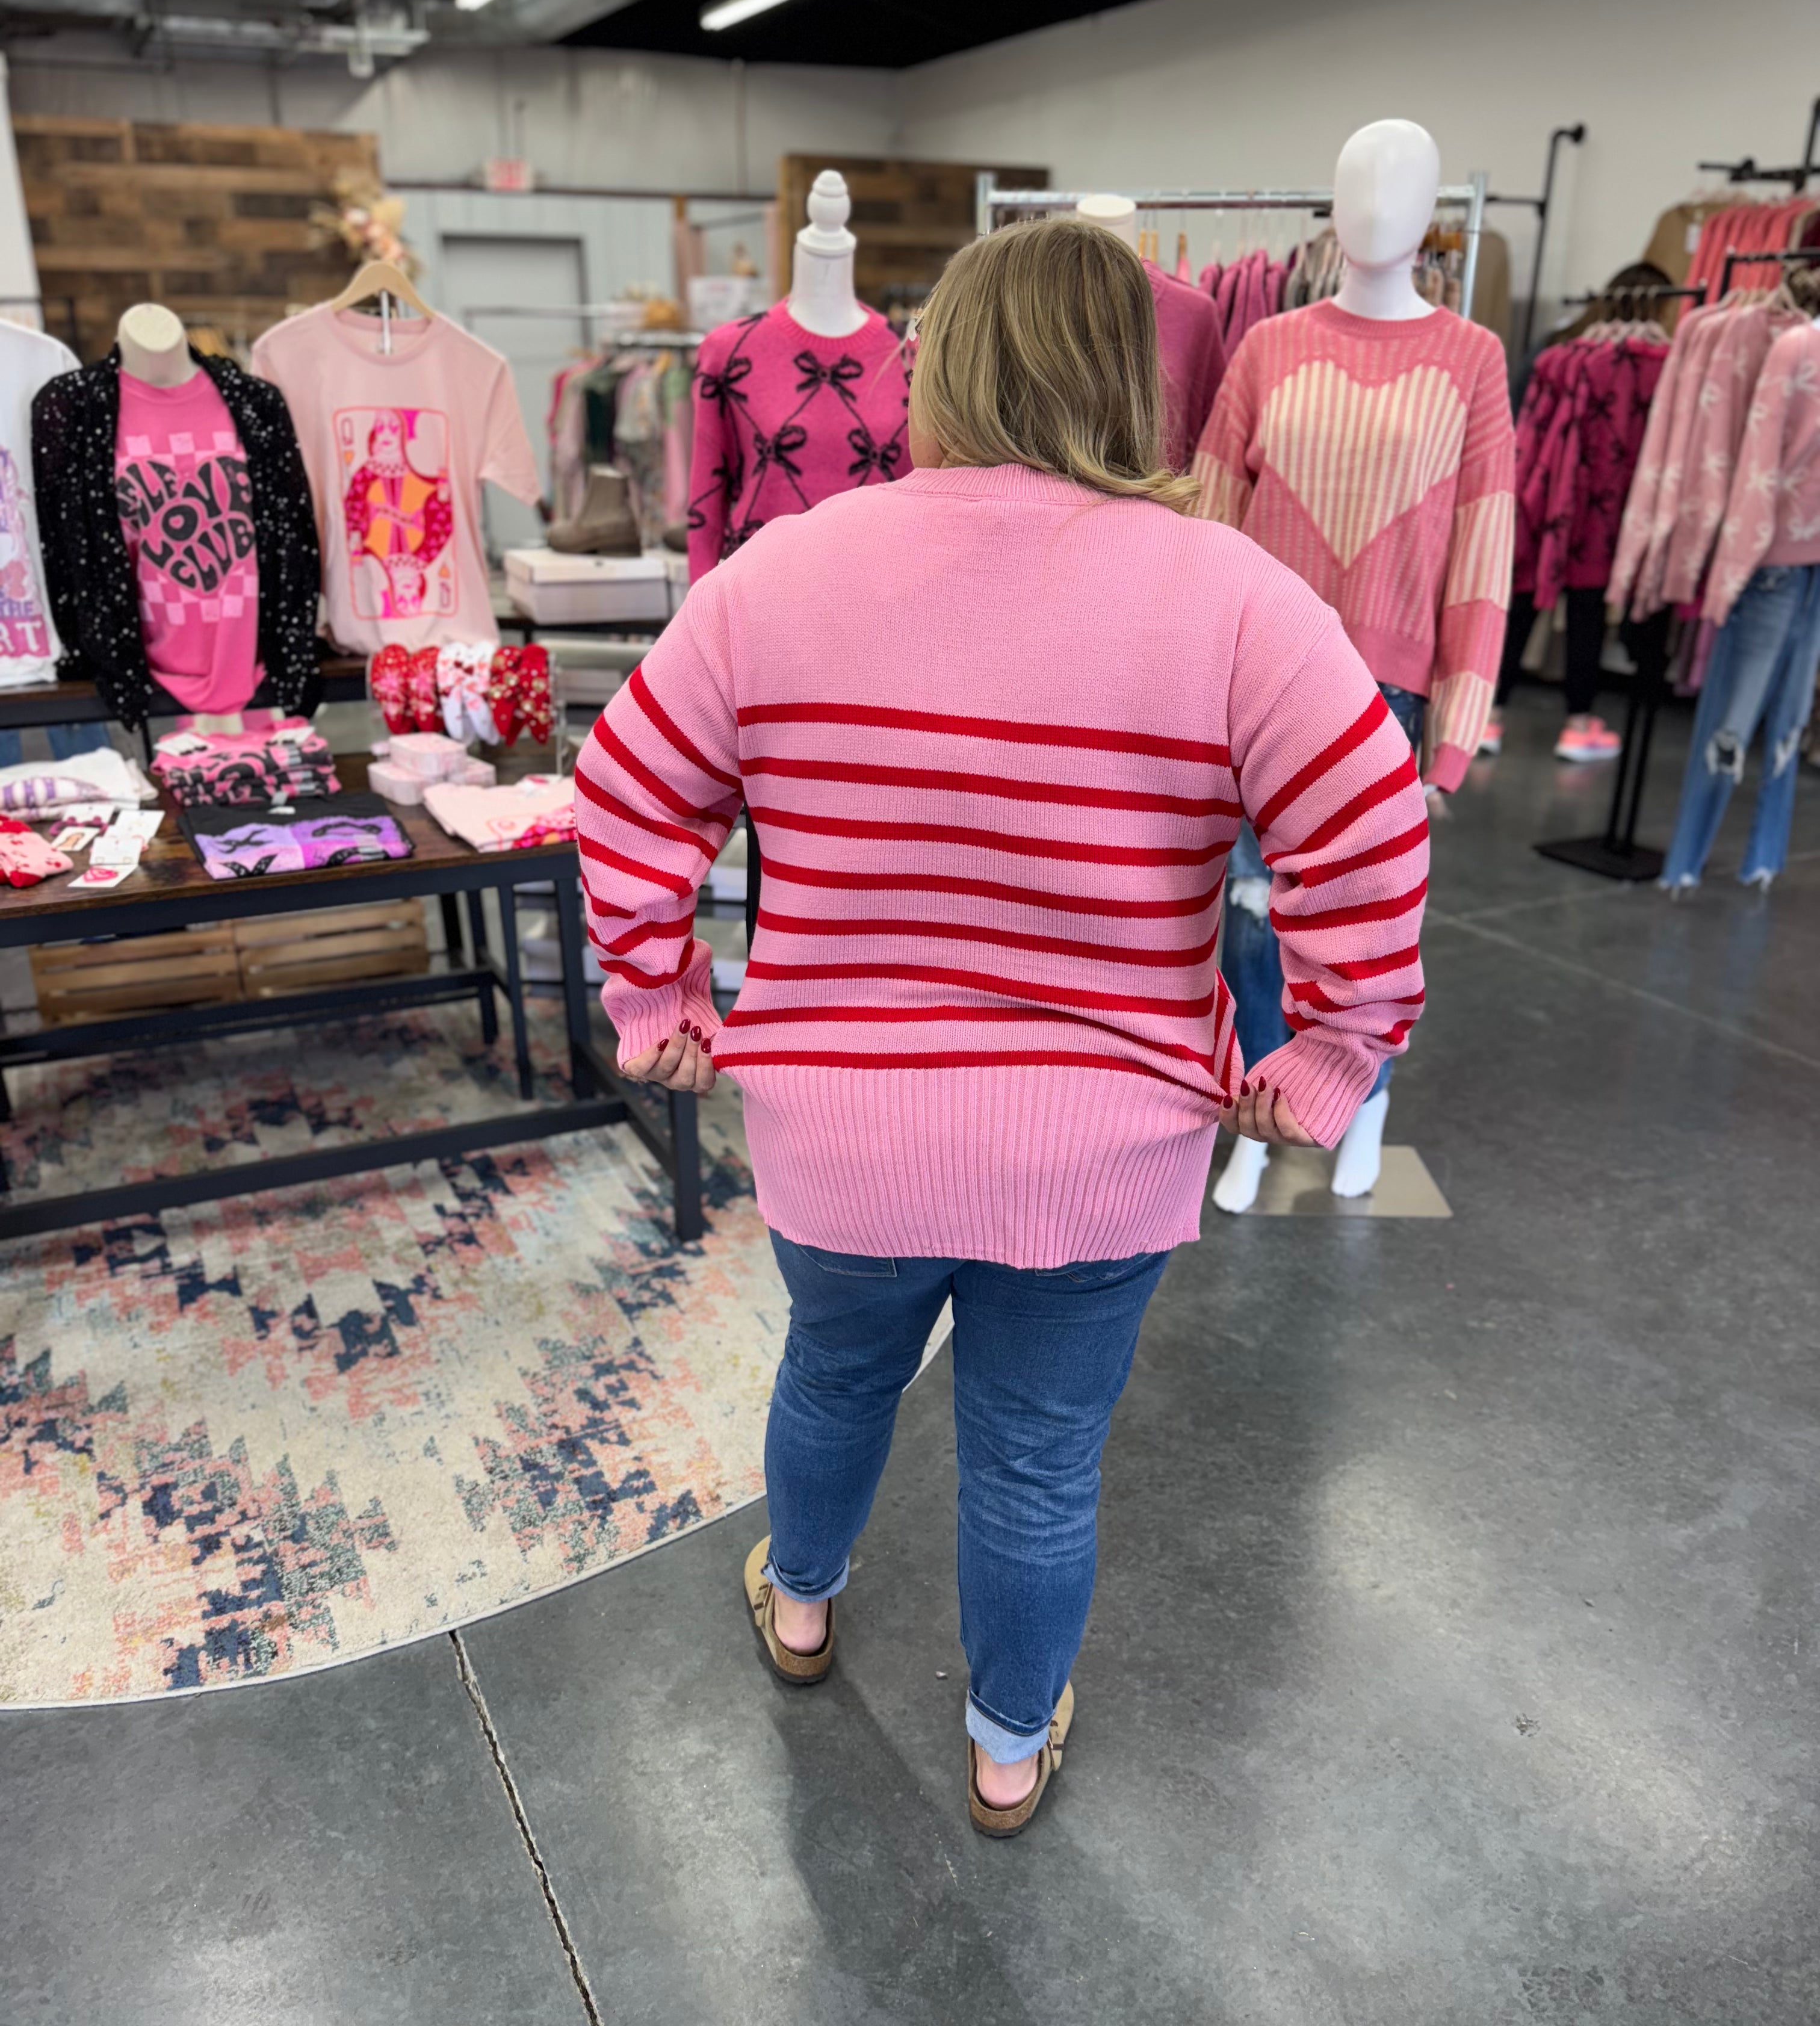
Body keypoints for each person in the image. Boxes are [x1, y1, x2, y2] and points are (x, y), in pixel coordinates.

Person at [575, 217, 1429, 1838]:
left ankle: (807, 1607)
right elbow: (1370, 838)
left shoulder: (783, 574)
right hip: (1103, 1147)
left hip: (840, 1130)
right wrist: (1319, 1061)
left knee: (834, 1375)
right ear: (1136, 380)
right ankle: (1007, 1745)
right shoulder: (1237, 599)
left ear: (940, 368)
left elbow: (626, 791)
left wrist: (659, 997)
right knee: (1036, 1456)